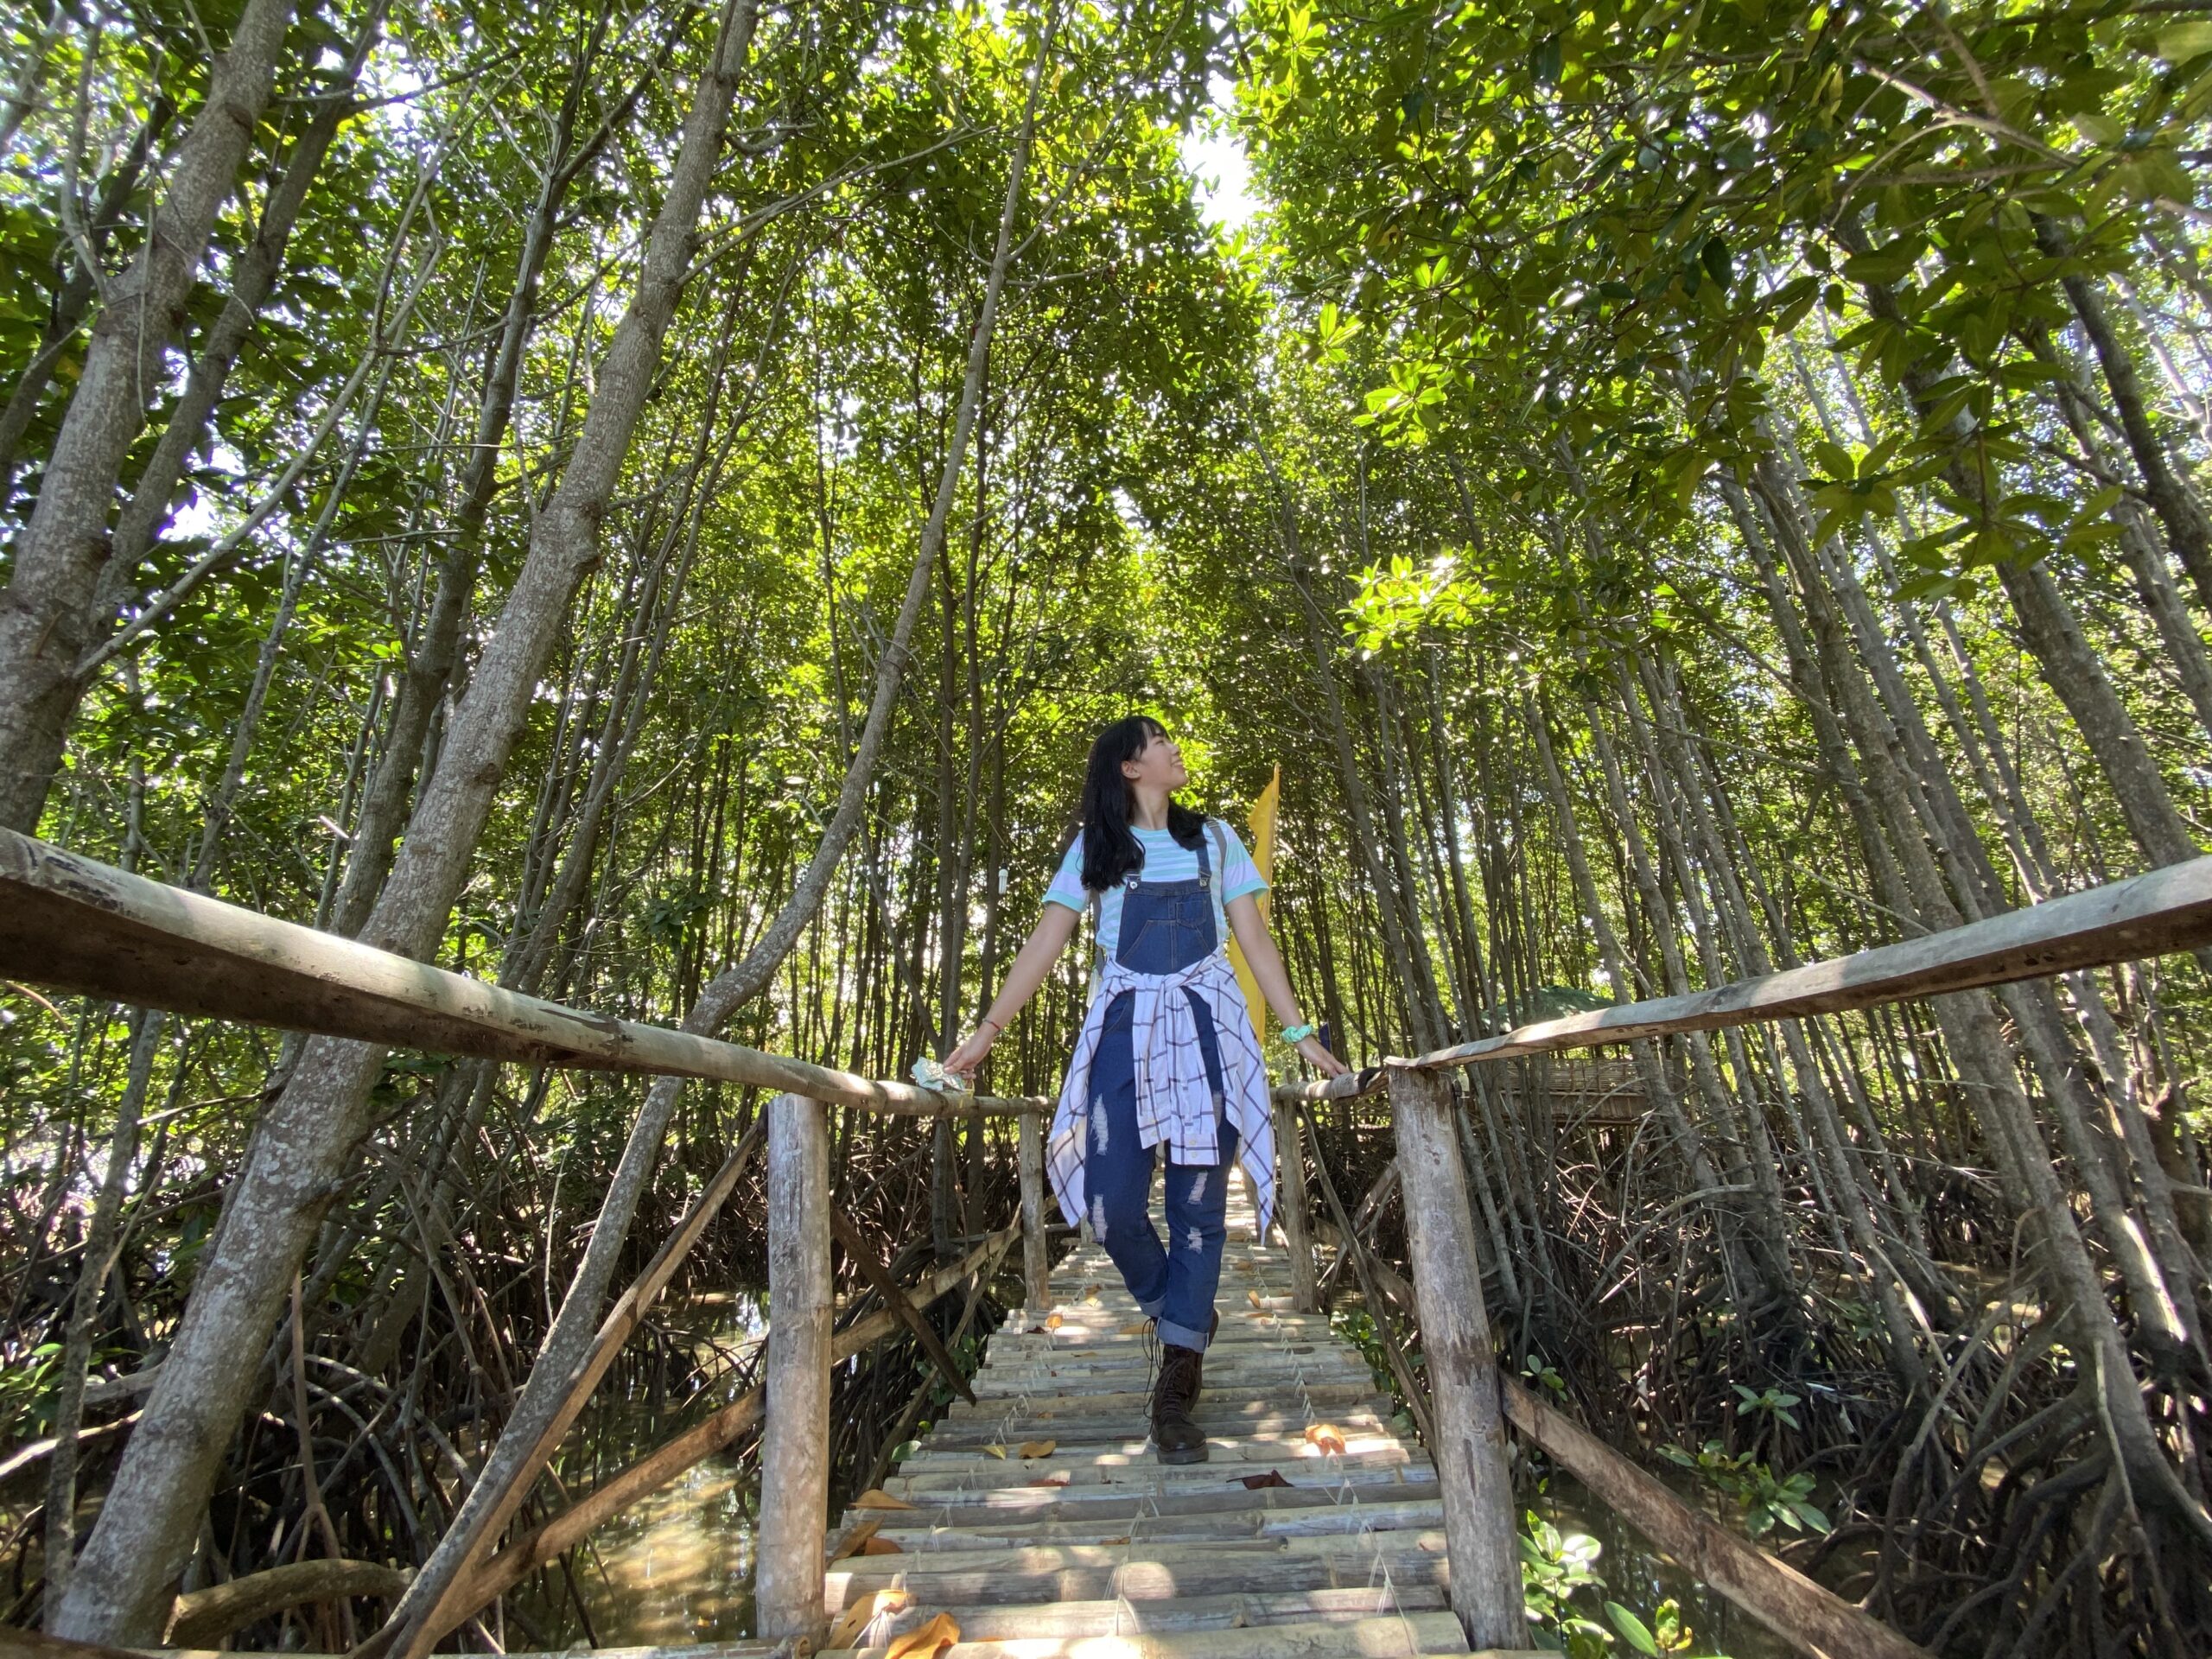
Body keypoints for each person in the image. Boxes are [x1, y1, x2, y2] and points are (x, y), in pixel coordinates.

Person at [944, 715, 1349, 1463]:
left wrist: (1299, 1035)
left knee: (1199, 1211)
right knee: (1112, 1204)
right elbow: (1046, 941)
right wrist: (988, 1031)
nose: (1174, 747)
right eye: (1160, 741)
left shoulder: (1217, 841)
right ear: (1130, 768)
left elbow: (1254, 940)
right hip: (1124, 1029)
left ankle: (1177, 1383)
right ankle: (1178, 1314)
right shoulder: (1095, 851)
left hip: (1208, 1028)